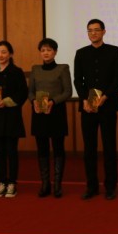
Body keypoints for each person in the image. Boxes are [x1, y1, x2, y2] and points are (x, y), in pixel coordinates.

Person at [73, 19, 118, 200]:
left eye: (96, 30)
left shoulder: (114, 51)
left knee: (109, 147)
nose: (93, 33)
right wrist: (84, 99)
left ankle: (110, 187)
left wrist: (105, 96)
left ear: (104, 31)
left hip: (108, 105)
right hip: (88, 107)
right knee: (89, 149)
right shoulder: (81, 53)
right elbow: (78, 80)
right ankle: (91, 186)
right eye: (90, 30)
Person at [0, 40, 28, 198]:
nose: (0, 55)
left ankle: (12, 183)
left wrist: (7, 101)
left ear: (10, 54)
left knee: (11, 151)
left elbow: (23, 93)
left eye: (3, 52)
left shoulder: (17, 72)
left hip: (11, 117)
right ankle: (2, 182)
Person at [28, 38, 73, 198]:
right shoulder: (35, 69)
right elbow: (30, 91)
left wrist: (53, 101)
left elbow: (68, 92)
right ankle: (45, 184)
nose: (45, 53)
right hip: (39, 113)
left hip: (56, 112)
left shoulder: (63, 68)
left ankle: (57, 185)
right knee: (42, 149)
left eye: (49, 50)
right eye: (43, 50)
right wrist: (33, 101)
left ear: (55, 52)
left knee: (58, 148)